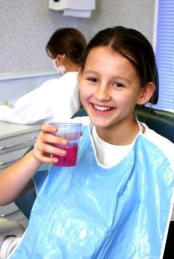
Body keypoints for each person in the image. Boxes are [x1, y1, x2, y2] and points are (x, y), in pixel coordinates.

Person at [0, 26, 174, 258]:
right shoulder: (66, 136)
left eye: (118, 84)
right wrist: (33, 157)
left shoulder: (164, 160)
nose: (101, 95)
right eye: (92, 79)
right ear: (79, 78)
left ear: (143, 92)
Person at [0, 27, 87, 124]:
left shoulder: (57, 87)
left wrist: (2, 110)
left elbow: (20, 114)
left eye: (53, 58)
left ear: (60, 58)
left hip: (65, 137)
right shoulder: (91, 81)